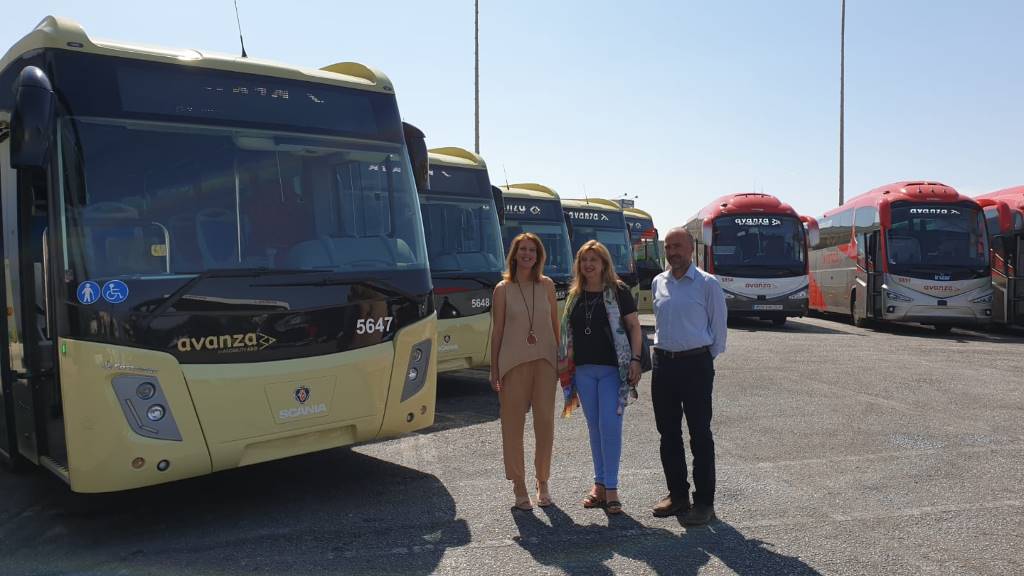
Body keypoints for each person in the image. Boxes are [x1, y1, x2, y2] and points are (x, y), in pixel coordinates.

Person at [557, 240, 642, 515]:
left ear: (604, 263)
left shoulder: (618, 291)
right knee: (594, 427)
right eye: (584, 260)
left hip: (612, 370)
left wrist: (636, 360)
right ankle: (599, 485)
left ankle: (612, 489)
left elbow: (634, 327)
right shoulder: (574, 295)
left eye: (594, 259)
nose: (588, 264)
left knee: (610, 425)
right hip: (583, 371)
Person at [650, 227, 727, 525]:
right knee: (668, 433)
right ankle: (678, 495)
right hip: (663, 365)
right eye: (668, 247)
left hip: (696, 365)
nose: (672, 252)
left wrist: (703, 359)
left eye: (677, 246)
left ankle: (704, 503)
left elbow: (718, 331)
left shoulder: (707, 284)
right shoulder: (658, 282)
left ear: (691, 249)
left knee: (700, 434)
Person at [490, 232, 560, 510]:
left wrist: (561, 361)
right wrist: (494, 368)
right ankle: (519, 485)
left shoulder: (547, 285)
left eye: (532, 250)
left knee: (545, 424)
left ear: (538, 255)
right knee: (512, 426)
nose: (527, 254)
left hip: (545, 362)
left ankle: (543, 481)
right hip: (512, 364)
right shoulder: (502, 289)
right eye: (523, 250)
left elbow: (555, 324)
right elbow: (497, 332)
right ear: (515, 254)